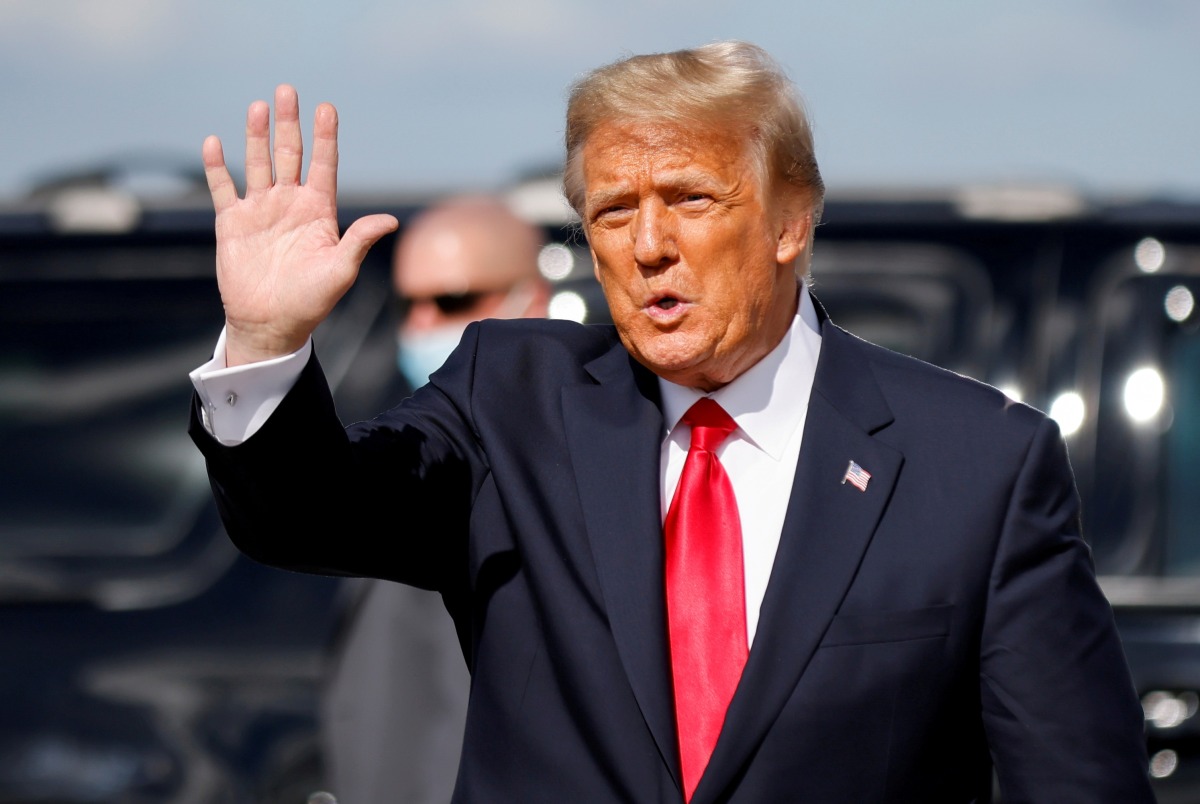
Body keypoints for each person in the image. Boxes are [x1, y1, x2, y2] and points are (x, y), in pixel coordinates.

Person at [189, 42, 1154, 802]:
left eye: (690, 199)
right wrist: (265, 340)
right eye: (612, 212)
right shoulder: (513, 404)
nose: (649, 245)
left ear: (790, 222)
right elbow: (309, 511)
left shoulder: (977, 465)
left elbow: (1076, 781)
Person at [321, 194, 548, 804]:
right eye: (408, 304)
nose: (421, 324)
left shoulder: (565, 456)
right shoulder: (405, 435)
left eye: (451, 300)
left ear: (534, 297)